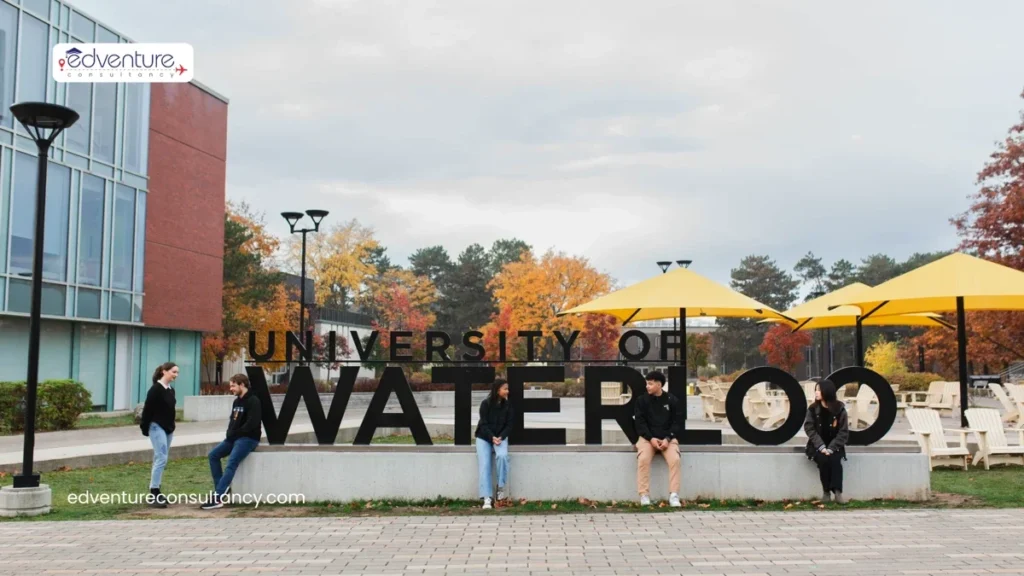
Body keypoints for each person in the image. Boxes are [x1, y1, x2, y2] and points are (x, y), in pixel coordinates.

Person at [201, 373, 262, 510]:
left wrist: (235, 434)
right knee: (213, 455)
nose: (231, 389)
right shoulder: (236, 401)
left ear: (242, 385)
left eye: (233, 386)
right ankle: (221, 488)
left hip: (248, 439)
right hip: (233, 438)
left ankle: (217, 498)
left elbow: (252, 423)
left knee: (231, 463)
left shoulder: (253, 401)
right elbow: (232, 421)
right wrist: (230, 434)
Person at [634, 370, 683, 507]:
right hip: (647, 439)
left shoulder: (672, 400)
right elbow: (640, 423)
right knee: (643, 459)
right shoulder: (641, 401)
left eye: (650, 384)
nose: (647, 386)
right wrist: (651, 439)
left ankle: (674, 495)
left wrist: (668, 438)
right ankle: (644, 495)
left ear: (659, 385)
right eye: (647, 384)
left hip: (668, 439)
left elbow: (677, 423)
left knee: (675, 460)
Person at [139, 362, 179, 508]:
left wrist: (172, 427)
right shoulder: (155, 389)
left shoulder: (170, 390)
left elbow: (170, 410)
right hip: (156, 426)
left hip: (168, 428)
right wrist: (145, 427)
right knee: (161, 457)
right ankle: (154, 492)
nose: (176, 375)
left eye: (177, 373)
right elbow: (147, 410)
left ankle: (156, 489)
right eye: (174, 372)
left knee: (160, 458)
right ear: (164, 372)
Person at [804, 379, 850, 504]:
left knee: (835, 461)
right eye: (816, 390)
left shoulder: (840, 409)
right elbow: (809, 428)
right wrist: (821, 446)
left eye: (819, 390)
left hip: (835, 445)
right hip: (817, 445)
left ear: (827, 391)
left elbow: (843, 432)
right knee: (823, 460)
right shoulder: (813, 409)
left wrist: (831, 448)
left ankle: (838, 493)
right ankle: (826, 492)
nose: (816, 392)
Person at [474, 378, 513, 510]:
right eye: (505, 389)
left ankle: (500, 488)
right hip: (484, 437)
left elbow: (509, 425)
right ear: (497, 390)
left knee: (502, 456)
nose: (507, 391)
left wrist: (500, 437)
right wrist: (492, 437)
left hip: (500, 438)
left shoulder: (508, 405)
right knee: (485, 464)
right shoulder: (485, 404)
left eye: (507, 389)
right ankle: (486, 497)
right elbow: (483, 424)